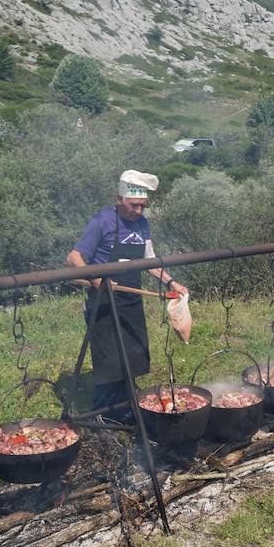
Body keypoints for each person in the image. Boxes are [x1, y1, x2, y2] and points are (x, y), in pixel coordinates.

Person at [66, 170, 188, 417]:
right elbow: (74, 257)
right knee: (109, 360)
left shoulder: (142, 224)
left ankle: (127, 406)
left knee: (134, 355)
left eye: (143, 206)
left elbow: (149, 261)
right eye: (134, 205)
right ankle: (102, 414)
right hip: (103, 303)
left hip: (131, 300)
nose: (138, 211)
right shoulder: (102, 221)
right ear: (119, 199)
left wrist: (171, 282)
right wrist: (96, 276)